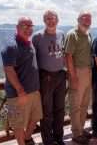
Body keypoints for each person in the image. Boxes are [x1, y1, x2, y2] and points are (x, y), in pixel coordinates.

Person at [1, 17, 42, 145]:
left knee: (35, 118)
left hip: (34, 91)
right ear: (17, 27)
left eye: (30, 26)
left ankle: (26, 139)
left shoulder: (29, 43)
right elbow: (9, 70)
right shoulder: (11, 46)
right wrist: (20, 91)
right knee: (18, 124)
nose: (28, 28)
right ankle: (21, 142)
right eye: (25, 26)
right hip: (18, 94)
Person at [32, 10, 66, 145]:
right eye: (48, 19)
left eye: (53, 18)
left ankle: (59, 138)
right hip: (45, 76)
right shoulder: (37, 36)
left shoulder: (61, 34)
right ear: (44, 21)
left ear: (57, 20)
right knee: (47, 112)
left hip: (61, 75)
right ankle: (48, 141)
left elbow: (63, 54)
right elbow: (32, 58)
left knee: (60, 109)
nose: (51, 21)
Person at [64, 11, 93, 145]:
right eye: (84, 18)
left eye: (89, 18)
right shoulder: (72, 34)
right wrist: (73, 76)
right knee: (76, 104)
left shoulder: (88, 34)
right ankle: (76, 133)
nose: (87, 20)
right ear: (78, 19)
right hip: (77, 72)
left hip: (88, 71)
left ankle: (81, 129)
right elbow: (68, 56)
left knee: (84, 104)